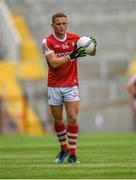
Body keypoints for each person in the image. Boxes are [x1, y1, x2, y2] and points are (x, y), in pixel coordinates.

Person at [42, 12, 97, 164]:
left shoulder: (75, 38)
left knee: (72, 118)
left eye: (64, 23)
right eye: (58, 23)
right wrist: (72, 55)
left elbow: (91, 52)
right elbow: (53, 62)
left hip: (71, 84)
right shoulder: (47, 41)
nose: (61, 26)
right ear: (52, 25)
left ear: (67, 24)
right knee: (58, 121)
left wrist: (91, 45)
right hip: (54, 85)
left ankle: (72, 155)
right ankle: (63, 149)